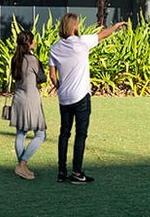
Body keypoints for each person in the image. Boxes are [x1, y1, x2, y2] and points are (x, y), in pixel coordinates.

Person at [47, 13, 127, 184]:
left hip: (64, 97)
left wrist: (60, 87)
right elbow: (104, 34)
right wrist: (116, 26)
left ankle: (62, 171)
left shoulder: (54, 48)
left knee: (64, 133)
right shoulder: (82, 42)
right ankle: (77, 173)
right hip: (81, 95)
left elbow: (52, 75)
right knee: (80, 134)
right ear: (74, 26)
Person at [8, 28, 47, 181]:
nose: (35, 42)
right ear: (29, 43)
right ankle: (23, 163)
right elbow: (42, 78)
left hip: (18, 98)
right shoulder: (32, 60)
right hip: (31, 100)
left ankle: (21, 167)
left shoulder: (15, 59)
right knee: (40, 134)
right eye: (33, 40)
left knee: (21, 134)